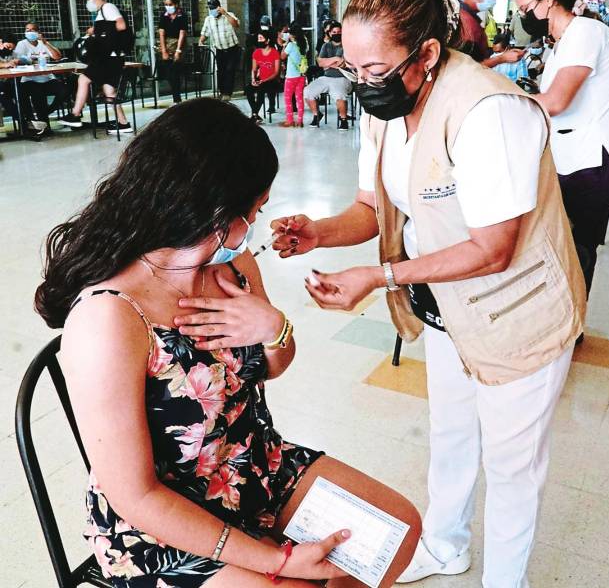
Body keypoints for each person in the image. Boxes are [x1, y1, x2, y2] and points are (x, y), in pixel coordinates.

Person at [35, 98, 422, 588]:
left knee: (394, 531)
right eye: (255, 209)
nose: (257, 223)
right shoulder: (109, 317)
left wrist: (275, 329)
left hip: (253, 466)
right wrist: (278, 562)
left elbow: (271, 365)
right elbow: (136, 496)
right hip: (157, 526)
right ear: (216, 212)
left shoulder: (233, 268)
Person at [272, 0, 585, 584]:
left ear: (428, 53)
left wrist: (379, 276)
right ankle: (445, 546)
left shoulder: (489, 111)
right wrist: (319, 232)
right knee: (451, 432)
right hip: (448, 307)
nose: (363, 84)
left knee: (513, 466)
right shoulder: (386, 108)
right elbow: (372, 207)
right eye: (351, 67)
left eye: (375, 69)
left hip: (518, 315)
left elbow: (493, 250)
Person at [514, 0, 609, 297]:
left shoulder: (585, 32)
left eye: (525, 8)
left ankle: (571, 315)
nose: (523, 17)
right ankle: (565, 310)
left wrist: (505, 102)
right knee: (564, 242)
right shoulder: (562, 42)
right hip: (574, 155)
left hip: (598, 157)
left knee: (577, 247)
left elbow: (556, 102)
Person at [59, 0, 133, 133]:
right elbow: (109, 28)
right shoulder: (102, 11)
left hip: (108, 58)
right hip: (112, 58)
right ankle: (124, 124)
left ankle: (75, 115)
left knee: (83, 79)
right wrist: (95, 30)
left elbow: (121, 25)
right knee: (109, 91)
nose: (88, 2)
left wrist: (97, 30)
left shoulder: (108, 7)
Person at [12, 22, 68, 134]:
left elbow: (57, 57)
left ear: (38, 32)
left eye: (32, 30)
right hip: (30, 79)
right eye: (27, 30)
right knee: (37, 94)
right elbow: (17, 60)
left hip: (47, 78)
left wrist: (46, 43)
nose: (29, 32)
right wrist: (32, 61)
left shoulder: (43, 43)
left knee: (64, 91)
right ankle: (44, 124)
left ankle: (46, 113)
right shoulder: (22, 44)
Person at [305, 21, 352, 130]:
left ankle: (343, 120)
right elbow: (320, 63)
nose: (336, 34)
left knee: (339, 94)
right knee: (308, 91)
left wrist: (328, 63)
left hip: (342, 77)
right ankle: (317, 115)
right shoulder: (326, 46)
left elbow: (343, 64)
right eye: (334, 32)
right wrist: (335, 59)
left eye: (339, 32)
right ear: (330, 33)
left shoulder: (347, 46)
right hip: (326, 77)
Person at [199, 0, 240, 102]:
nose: (211, 10)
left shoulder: (228, 15)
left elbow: (236, 25)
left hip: (232, 49)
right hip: (220, 49)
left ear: (219, 7)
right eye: (210, 8)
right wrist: (201, 41)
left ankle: (227, 93)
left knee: (229, 70)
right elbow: (205, 33)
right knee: (221, 71)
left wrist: (225, 13)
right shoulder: (208, 19)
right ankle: (222, 92)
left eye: (213, 8)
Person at [157, 0, 187, 105]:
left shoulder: (182, 16)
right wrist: (164, 50)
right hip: (167, 45)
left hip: (179, 45)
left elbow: (182, 33)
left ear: (176, 4)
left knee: (175, 72)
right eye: (166, 5)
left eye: (170, 4)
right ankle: (177, 98)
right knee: (169, 74)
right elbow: (161, 33)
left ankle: (177, 99)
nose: (168, 7)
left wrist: (178, 51)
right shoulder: (163, 16)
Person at [245, 29, 281, 122]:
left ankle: (254, 114)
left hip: (272, 80)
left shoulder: (274, 52)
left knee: (261, 90)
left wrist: (264, 81)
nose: (259, 40)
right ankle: (255, 114)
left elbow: (276, 72)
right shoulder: (256, 52)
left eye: (261, 38)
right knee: (248, 89)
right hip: (260, 79)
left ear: (267, 40)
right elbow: (254, 69)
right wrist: (253, 79)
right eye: (258, 38)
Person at [280, 23, 307, 128]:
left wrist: (284, 45)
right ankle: (300, 121)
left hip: (291, 76)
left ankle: (290, 120)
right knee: (299, 98)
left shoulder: (291, 45)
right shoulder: (304, 45)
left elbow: (282, 56)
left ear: (293, 35)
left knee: (288, 98)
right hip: (301, 75)